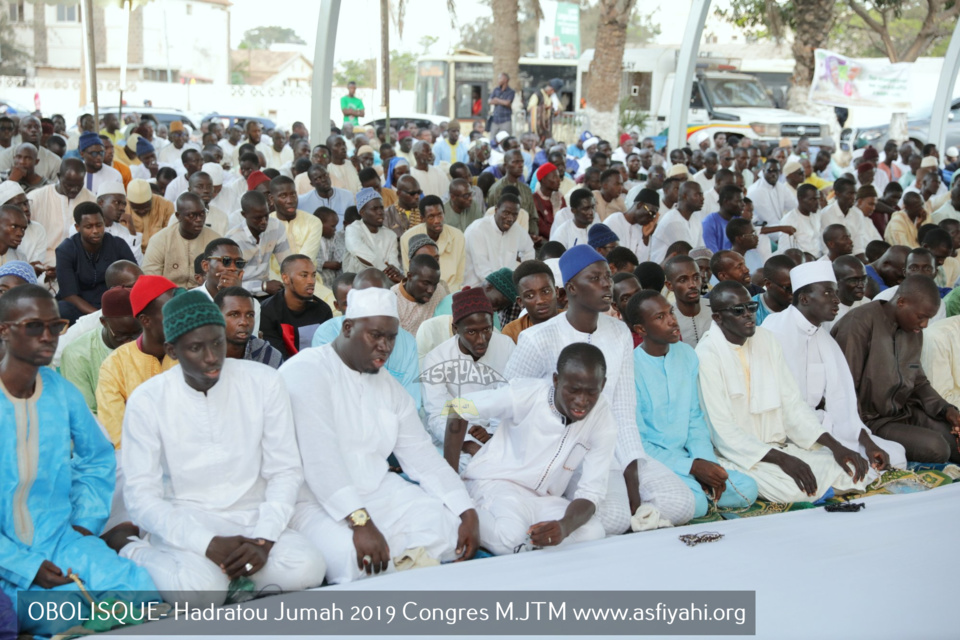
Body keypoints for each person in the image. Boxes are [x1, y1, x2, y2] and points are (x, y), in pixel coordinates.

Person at [119, 290, 323, 605]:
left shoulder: (264, 382)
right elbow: (141, 496)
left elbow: (285, 470)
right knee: (201, 591)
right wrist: (206, 543)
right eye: (196, 348)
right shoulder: (148, 400)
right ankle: (134, 550)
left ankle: (237, 575)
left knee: (307, 569)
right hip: (187, 521)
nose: (212, 357)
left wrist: (264, 539)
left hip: (252, 518)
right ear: (172, 350)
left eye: (217, 343)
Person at [282, 286, 479, 584]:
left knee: (450, 529)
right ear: (348, 327)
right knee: (357, 559)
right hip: (313, 501)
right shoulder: (307, 371)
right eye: (375, 335)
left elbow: (422, 457)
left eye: (391, 337)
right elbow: (320, 462)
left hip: (379, 491)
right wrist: (360, 522)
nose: (385, 346)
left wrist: (465, 509)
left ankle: (403, 566)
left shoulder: (389, 388)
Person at [505, 245, 696, 534]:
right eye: (595, 278)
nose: (607, 284)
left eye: (607, 276)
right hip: (563, 452)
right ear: (571, 288)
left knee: (682, 503)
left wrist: (632, 466)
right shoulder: (537, 338)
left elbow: (622, 408)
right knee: (614, 518)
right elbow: (510, 404)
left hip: (615, 446)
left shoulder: (619, 332)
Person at [0, 285, 156, 636]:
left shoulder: (61, 392)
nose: (48, 337)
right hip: (6, 555)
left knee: (140, 586)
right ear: (4, 331)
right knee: (60, 612)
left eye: (55, 327)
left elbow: (98, 457)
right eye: (34, 327)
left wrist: (86, 522)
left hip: (61, 535)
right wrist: (26, 566)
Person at [696, 281, 871, 503]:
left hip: (777, 447)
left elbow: (793, 404)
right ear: (718, 318)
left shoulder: (766, 339)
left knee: (849, 472)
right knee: (792, 489)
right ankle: (816, 490)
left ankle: (821, 487)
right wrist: (784, 460)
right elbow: (723, 432)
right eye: (738, 311)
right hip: (739, 456)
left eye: (751, 307)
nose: (749, 315)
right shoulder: (707, 355)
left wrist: (837, 447)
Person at [446, 343, 615, 554]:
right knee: (510, 538)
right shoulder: (525, 394)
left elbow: (591, 493)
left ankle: (526, 543)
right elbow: (457, 408)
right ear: (556, 380)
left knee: (593, 532)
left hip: (542, 499)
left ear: (603, 384)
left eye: (591, 392)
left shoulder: (603, 417)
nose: (582, 401)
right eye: (573, 390)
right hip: (497, 484)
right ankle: (456, 512)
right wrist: (449, 483)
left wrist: (563, 527)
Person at [764, 262, 907, 474]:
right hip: (786, 432)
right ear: (804, 298)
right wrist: (837, 447)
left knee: (896, 454)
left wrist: (868, 443)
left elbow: (842, 399)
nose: (837, 300)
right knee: (842, 468)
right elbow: (785, 409)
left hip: (820, 426)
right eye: (828, 293)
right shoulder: (775, 331)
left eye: (835, 293)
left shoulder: (821, 336)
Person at [628, 290, 758, 517]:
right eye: (660, 317)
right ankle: (692, 495)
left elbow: (694, 418)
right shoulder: (629, 369)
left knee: (747, 488)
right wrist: (692, 468)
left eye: (670, 312)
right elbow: (638, 444)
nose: (672, 321)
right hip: (654, 463)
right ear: (641, 329)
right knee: (695, 504)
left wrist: (705, 464)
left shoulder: (687, 354)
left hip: (690, 456)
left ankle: (699, 490)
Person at [833, 275, 960, 464]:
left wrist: (947, 410)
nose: (925, 325)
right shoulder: (858, 324)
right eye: (921, 317)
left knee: (952, 441)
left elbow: (918, 382)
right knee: (937, 448)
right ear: (901, 302)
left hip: (904, 411)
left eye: (928, 319)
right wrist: (864, 437)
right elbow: (844, 390)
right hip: (870, 420)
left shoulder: (913, 330)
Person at [421, 287, 515, 470]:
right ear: (455, 329)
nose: (481, 340)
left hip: (499, 434)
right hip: (453, 438)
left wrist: (492, 433)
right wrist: (469, 442)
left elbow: (511, 399)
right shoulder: (436, 359)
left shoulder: (506, 346)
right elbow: (437, 415)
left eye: (487, 330)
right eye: (471, 332)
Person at [96, 275, 180, 447]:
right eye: (171, 313)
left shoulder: (192, 354)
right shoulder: (115, 365)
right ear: (145, 320)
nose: (180, 319)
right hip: (135, 462)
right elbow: (116, 435)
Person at [60, 285, 140, 416]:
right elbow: (86, 414)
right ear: (103, 322)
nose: (129, 342)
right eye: (121, 335)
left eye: (136, 334)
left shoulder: (148, 343)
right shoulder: (77, 354)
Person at [54, 202, 136, 323]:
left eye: (99, 225)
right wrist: (99, 316)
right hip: (79, 308)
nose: (95, 231)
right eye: (89, 227)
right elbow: (69, 295)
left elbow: (136, 281)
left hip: (113, 305)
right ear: (78, 227)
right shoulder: (65, 250)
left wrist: (110, 312)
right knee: (62, 309)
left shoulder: (118, 245)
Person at [260, 254, 332, 359]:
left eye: (313, 275)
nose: (311, 281)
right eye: (304, 275)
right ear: (286, 278)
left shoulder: (323, 310)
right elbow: (275, 358)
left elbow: (327, 353)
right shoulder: (268, 311)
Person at [142, 193, 219, 289]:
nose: (199, 220)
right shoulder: (160, 240)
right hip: (169, 297)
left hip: (204, 297)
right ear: (178, 216)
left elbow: (220, 278)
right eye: (192, 215)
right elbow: (151, 280)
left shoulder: (215, 241)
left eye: (202, 214)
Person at [27, 158, 96, 266]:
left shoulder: (91, 200)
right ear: (59, 177)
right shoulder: (36, 198)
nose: (74, 190)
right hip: (42, 262)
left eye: (79, 185)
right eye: (69, 185)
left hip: (80, 263)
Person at [228, 190, 293, 297]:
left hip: (268, 292)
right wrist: (262, 286)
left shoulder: (276, 227)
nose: (264, 221)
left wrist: (290, 285)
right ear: (244, 215)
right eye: (257, 218)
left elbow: (287, 265)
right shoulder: (233, 240)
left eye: (266, 216)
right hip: (240, 295)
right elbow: (230, 283)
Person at [463, 193, 535, 288]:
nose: (510, 218)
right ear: (496, 210)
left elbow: (529, 250)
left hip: (505, 288)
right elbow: (483, 272)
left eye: (514, 214)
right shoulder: (477, 230)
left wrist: (523, 276)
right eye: (506, 213)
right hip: (477, 287)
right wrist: (507, 287)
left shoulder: (516, 229)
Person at [400, 195, 467, 291]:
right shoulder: (408, 238)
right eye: (431, 217)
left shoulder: (457, 236)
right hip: (422, 294)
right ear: (422, 218)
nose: (437, 221)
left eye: (440, 215)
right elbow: (409, 274)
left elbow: (459, 278)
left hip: (451, 293)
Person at [213, 286, 281, 368]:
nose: (244, 322)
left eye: (250, 315)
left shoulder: (267, 355)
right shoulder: (199, 355)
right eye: (234, 314)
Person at [344, 187, 402, 282]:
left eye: (381, 208)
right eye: (374, 209)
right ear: (362, 212)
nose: (380, 212)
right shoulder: (353, 229)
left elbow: (394, 263)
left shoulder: (390, 235)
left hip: (385, 283)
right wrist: (385, 270)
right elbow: (358, 251)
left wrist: (393, 271)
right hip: (356, 283)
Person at [501, 260, 559, 343]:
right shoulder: (512, 332)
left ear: (557, 292)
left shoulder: (573, 323)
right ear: (520, 302)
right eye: (530, 296)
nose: (540, 300)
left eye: (546, 291)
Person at [650, 181, 704, 264]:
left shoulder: (695, 219)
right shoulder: (673, 221)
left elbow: (701, 249)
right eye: (698, 195)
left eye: (702, 195)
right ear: (685, 196)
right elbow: (687, 253)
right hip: (664, 271)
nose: (702, 198)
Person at [663, 255, 711, 348]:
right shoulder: (666, 320)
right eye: (683, 280)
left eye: (696, 278)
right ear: (669, 285)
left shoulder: (715, 309)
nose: (692, 284)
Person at [392, 254, 446, 336]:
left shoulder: (439, 291)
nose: (431, 290)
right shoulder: (393, 299)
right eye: (425, 283)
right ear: (410, 276)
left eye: (434, 284)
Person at [603, 188, 657, 263]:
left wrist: (645, 237)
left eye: (654, 216)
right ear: (639, 205)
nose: (651, 219)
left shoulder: (642, 227)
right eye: (651, 213)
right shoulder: (614, 222)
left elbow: (641, 262)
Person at [822, 254, 869, 332]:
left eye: (864, 279)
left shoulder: (867, 304)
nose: (861, 285)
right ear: (836, 282)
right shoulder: (824, 312)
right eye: (853, 280)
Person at [298, 164, 354, 229]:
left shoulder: (347, 195)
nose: (323, 180)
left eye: (325, 175)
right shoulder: (303, 202)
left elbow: (352, 222)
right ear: (312, 184)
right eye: (318, 178)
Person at [746, 159, 797, 230]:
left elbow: (794, 206)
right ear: (763, 171)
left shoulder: (781, 187)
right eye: (770, 170)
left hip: (780, 228)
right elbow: (758, 220)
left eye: (776, 171)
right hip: (762, 231)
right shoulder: (754, 190)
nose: (773, 174)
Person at [125, 178, 173, 251]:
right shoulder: (123, 208)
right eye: (136, 210)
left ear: (151, 198)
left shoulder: (166, 205)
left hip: (160, 252)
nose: (141, 211)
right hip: (131, 252)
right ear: (129, 202)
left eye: (146, 208)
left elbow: (170, 234)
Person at [778, 184, 822, 257]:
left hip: (820, 258)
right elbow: (785, 251)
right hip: (804, 262)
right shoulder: (789, 220)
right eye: (812, 199)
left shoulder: (817, 213)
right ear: (800, 199)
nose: (817, 203)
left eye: (818, 199)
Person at [700, 184, 744, 254]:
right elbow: (713, 255)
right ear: (726, 202)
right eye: (738, 201)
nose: (743, 204)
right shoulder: (709, 223)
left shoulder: (738, 220)